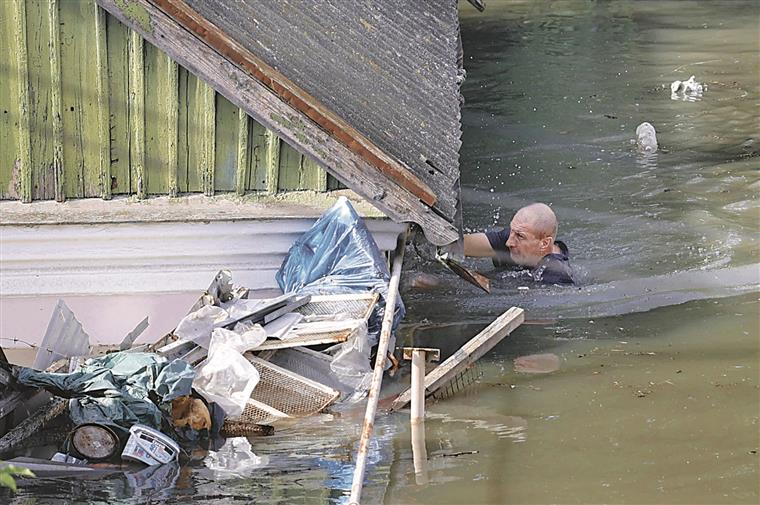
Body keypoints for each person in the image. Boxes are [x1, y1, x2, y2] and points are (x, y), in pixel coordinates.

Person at [463, 203, 574, 284]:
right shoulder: (513, 237)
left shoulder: (557, 275)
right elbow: (459, 245)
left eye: (520, 236)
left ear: (544, 243)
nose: (509, 242)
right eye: (512, 230)